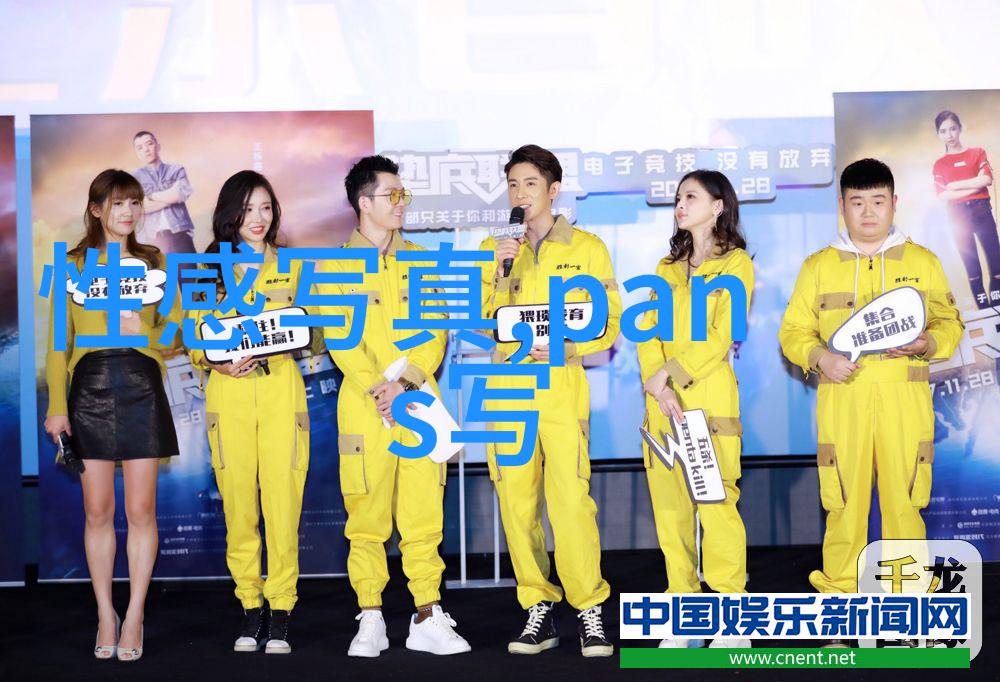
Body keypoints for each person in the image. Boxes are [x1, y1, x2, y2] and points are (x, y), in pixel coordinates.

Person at [779, 159, 964, 647]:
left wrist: (928, 342)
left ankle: (906, 616)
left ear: (894, 204)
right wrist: (821, 357)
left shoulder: (921, 261)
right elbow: (793, 332)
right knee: (844, 506)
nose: (867, 212)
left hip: (905, 400)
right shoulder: (818, 266)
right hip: (843, 400)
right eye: (857, 202)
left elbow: (950, 323)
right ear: (841, 206)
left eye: (878, 201)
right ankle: (841, 612)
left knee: (905, 505)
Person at [320, 155, 471, 657]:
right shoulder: (335, 266)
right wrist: (377, 387)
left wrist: (404, 383)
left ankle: (427, 613)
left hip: (417, 402)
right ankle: (370, 617)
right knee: (366, 516)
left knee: (423, 513)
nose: (402, 202)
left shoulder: (421, 259)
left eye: (404, 194)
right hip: (365, 409)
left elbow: (436, 332)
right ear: (364, 202)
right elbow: (341, 339)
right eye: (393, 194)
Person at [480, 144, 620, 657]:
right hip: (509, 390)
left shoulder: (587, 247)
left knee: (570, 502)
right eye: (513, 184)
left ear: (554, 189)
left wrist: (567, 346)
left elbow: (608, 322)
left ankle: (589, 609)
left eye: (531, 184)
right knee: (517, 502)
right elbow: (481, 321)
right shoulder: (494, 248)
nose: (520, 194)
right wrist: (500, 271)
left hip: (561, 387)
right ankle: (538, 606)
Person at [43, 169, 181, 662]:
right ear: (96, 209)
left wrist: (145, 331)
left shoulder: (155, 261)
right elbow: (57, 343)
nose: (128, 212)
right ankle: (106, 613)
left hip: (141, 385)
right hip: (90, 388)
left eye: (135, 203)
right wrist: (57, 406)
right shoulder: (71, 264)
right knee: (97, 512)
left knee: (141, 511)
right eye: (118, 203)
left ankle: (136, 613)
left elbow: (176, 330)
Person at [186, 171, 310, 654]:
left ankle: (281, 610)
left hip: (281, 394)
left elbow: (314, 332)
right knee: (239, 507)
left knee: (282, 505)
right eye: (247, 209)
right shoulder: (207, 270)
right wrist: (215, 359)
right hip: (229, 396)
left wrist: (290, 339)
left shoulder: (293, 266)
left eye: (265, 208)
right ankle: (250, 607)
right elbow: (193, 337)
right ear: (229, 214)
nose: (257, 218)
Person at [638, 170, 753, 649]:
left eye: (691, 196)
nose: (680, 205)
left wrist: (671, 374)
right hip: (662, 406)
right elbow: (646, 329)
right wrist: (658, 383)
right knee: (672, 515)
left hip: (709, 401)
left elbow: (723, 334)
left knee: (718, 508)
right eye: (678, 198)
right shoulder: (666, 267)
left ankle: (731, 617)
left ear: (718, 206)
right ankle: (683, 615)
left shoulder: (737, 265)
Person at [932, 110, 999, 309]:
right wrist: (974, 186)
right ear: (938, 134)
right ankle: (985, 313)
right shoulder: (939, 164)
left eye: (953, 128)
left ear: (960, 128)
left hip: (982, 212)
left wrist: (955, 185)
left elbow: (987, 179)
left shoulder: (977, 153)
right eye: (943, 131)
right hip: (958, 217)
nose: (949, 134)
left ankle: (997, 310)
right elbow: (942, 195)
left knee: (997, 266)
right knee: (973, 271)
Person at [133, 130, 196, 255]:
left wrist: (151, 197)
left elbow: (180, 194)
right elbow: (139, 208)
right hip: (152, 239)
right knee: (159, 269)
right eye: (140, 148)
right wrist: (170, 197)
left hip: (181, 234)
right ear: (137, 153)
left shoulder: (176, 170)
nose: (146, 150)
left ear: (158, 146)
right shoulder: (134, 178)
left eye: (149, 144)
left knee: (187, 268)